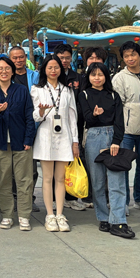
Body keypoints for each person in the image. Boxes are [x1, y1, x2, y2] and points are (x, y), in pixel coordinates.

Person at [79, 63, 134, 239]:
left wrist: (116, 141)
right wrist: (94, 115)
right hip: (93, 137)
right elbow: (86, 119)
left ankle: (118, 221)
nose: (97, 78)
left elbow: (119, 121)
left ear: (106, 76)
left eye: (100, 74)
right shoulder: (84, 94)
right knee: (98, 182)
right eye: (93, 74)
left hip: (113, 137)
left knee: (117, 181)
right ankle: (103, 217)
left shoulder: (113, 95)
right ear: (88, 77)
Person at [0, 57, 36, 231]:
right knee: (3, 180)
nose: (4, 71)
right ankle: (6, 215)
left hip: (21, 141)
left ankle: (24, 216)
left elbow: (29, 115)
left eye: (7, 68)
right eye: (0, 69)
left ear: (12, 71)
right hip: (0, 143)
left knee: (24, 180)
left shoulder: (21, 90)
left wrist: (28, 139)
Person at [31, 54, 79, 232]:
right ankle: (49, 215)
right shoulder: (37, 89)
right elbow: (35, 116)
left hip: (64, 137)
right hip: (45, 137)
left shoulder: (67, 90)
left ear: (61, 69)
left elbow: (72, 118)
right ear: (44, 69)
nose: (53, 70)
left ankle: (60, 214)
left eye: (56, 67)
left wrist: (75, 142)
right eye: (49, 67)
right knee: (47, 178)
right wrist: (41, 112)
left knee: (60, 178)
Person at [112, 41, 140, 213]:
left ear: (139, 55)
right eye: (126, 56)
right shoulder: (119, 78)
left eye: (133, 55)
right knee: (124, 166)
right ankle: (123, 202)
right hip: (127, 131)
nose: (130, 58)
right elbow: (116, 106)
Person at [54, 44, 88, 211]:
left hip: (75, 126)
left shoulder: (78, 78)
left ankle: (71, 197)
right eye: (61, 58)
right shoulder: (51, 76)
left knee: (72, 159)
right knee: (55, 162)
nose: (64, 61)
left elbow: (81, 101)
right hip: (55, 127)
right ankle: (56, 197)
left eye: (67, 58)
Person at [9, 46, 41, 212]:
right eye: (14, 58)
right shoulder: (6, 76)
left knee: (32, 168)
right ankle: (15, 198)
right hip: (12, 127)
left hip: (32, 126)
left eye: (21, 57)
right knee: (13, 168)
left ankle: (29, 198)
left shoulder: (35, 76)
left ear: (26, 57)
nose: (18, 60)